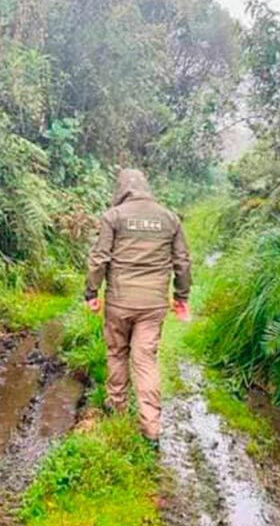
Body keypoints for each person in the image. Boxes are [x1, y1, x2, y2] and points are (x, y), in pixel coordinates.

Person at [84, 168, 191, 448]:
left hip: (119, 302)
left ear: (120, 189)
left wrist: (91, 292)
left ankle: (116, 405)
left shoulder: (114, 217)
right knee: (146, 360)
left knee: (117, 351)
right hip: (153, 305)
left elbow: (99, 258)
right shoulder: (170, 218)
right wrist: (181, 296)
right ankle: (151, 429)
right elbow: (182, 262)